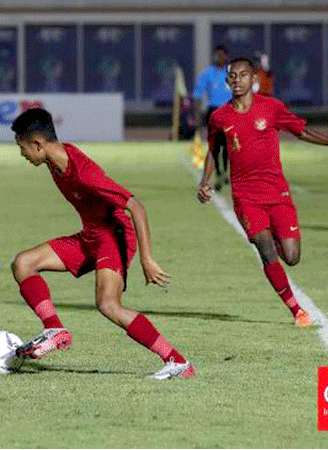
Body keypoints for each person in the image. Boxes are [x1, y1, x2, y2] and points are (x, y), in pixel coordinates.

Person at [10, 108, 194, 380]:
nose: (22, 154)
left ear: (37, 144)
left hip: (113, 236)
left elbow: (136, 207)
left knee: (108, 305)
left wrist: (147, 259)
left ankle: (177, 361)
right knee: (23, 263)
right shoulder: (54, 159)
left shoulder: (85, 173)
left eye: (22, 147)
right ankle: (55, 330)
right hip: (91, 236)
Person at [197, 58, 328, 327]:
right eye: (233, 76)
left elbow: (302, 131)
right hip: (246, 197)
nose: (237, 80)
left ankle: (272, 235)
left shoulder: (271, 107)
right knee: (265, 249)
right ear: (227, 81)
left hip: (277, 193)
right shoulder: (219, 117)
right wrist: (205, 181)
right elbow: (214, 151)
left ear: (254, 79)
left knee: (292, 257)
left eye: (243, 75)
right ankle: (297, 310)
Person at [194, 45, 232, 191]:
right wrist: (197, 116)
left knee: (228, 145)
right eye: (217, 55)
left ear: (226, 56)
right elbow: (198, 94)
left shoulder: (232, 73)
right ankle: (219, 173)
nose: (219, 58)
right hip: (214, 112)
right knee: (215, 145)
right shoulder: (207, 73)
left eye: (222, 55)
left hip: (230, 111)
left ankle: (224, 171)